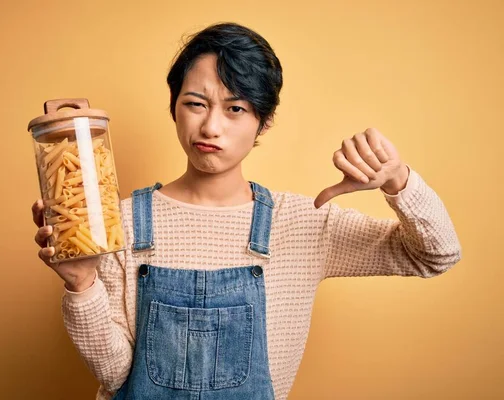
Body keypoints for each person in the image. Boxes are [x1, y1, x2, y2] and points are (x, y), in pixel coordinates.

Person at [31, 22, 462, 400]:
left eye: (235, 108)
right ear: (174, 107)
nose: (210, 127)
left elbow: (436, 255)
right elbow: (117, 374)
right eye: (195, 103)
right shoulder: (117, 222)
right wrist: (82, 283)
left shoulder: (302, 224)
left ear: (265, 121)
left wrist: (398, 181)